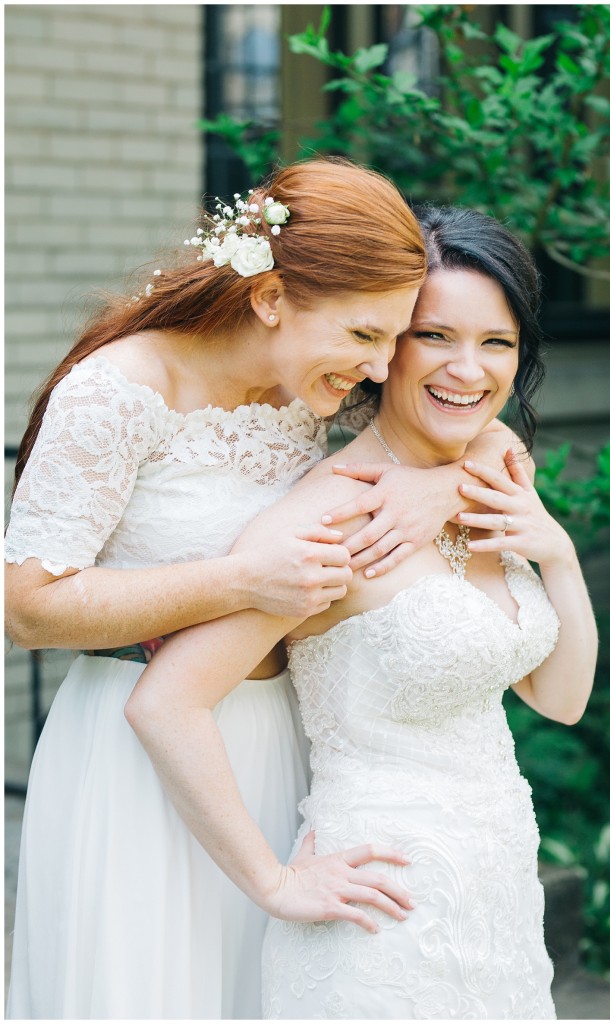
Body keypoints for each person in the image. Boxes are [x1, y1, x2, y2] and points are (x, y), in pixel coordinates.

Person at [5, 161, 519, 1020]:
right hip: (141, 760)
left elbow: (475, 414)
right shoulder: (117, 391)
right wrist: (241, 579)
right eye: (363, 336)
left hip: (281, 753)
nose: (377, 367)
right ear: (273, 296)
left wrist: (445, 487)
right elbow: (27, 606)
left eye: (393, 340)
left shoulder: (307, 390)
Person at [126, 205, 598, 1019]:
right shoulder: (329, 517)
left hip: (497, 902)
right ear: (385, 348)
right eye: (435, 337)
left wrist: (557, 552)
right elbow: (167, 702)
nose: (468, 369)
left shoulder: (492, 479)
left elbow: (559, 701)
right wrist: (273, 882)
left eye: (497, 343)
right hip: (380, 913)